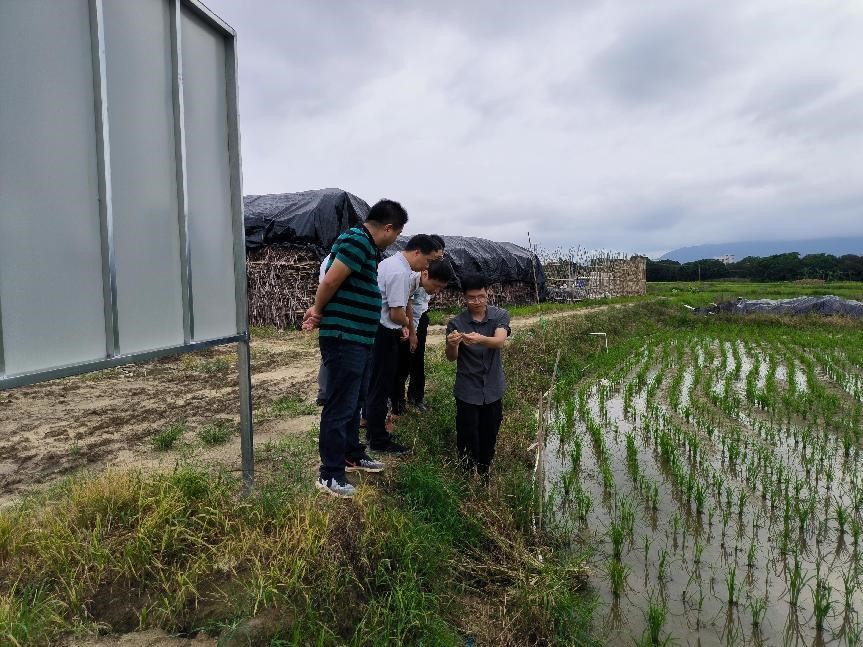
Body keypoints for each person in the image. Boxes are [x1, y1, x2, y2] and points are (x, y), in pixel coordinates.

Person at [302, 200, 407, 498]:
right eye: (396, 233)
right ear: (388, 228)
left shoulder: (365, 247)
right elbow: (331, 279)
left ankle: (351, 454)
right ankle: (330, 474)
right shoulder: (357, 240)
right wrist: (318, 311)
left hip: (360, 337)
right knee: (340, 404)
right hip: (344, 336)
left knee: (355, 399)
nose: (394, 240)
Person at [364, 234, 442, 454]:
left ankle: (375, 431)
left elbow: (405, 301)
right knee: (380, 385)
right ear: (417, 252)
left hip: (381, 328)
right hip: (383, 330)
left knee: (378, 383)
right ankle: (378, 440)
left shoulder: (395, 265)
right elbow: (396, 313)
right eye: (426, 261)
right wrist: (407, 326)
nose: (425, 267)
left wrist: (407, 327)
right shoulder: (399, 271)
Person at [445, 273, 511, 478]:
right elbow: (451, 358)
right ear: (464, 298)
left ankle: (484, 471)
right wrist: (453, 344)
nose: (477, 301)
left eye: (480, 296)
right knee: (467, 434)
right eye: (471, 297)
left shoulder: (500, 316)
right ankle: (466, 474)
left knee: (489, 433)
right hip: (467, 389)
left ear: (487, 294)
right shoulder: (456, 323)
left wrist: (480, 338)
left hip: (492, 388)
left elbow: (500, 341)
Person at [392, 237, 448, 415]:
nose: (436, 262)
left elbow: (417, 306)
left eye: (439, 258)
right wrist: (409, 330)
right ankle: (396, 402)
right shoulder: (411, 273)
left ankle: (415, 397)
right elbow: (405, 304)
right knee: (401, 362)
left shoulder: (432, 272)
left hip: (416, 319)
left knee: (417, 360)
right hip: (403, 321)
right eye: (434, 258)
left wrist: (413, 330)